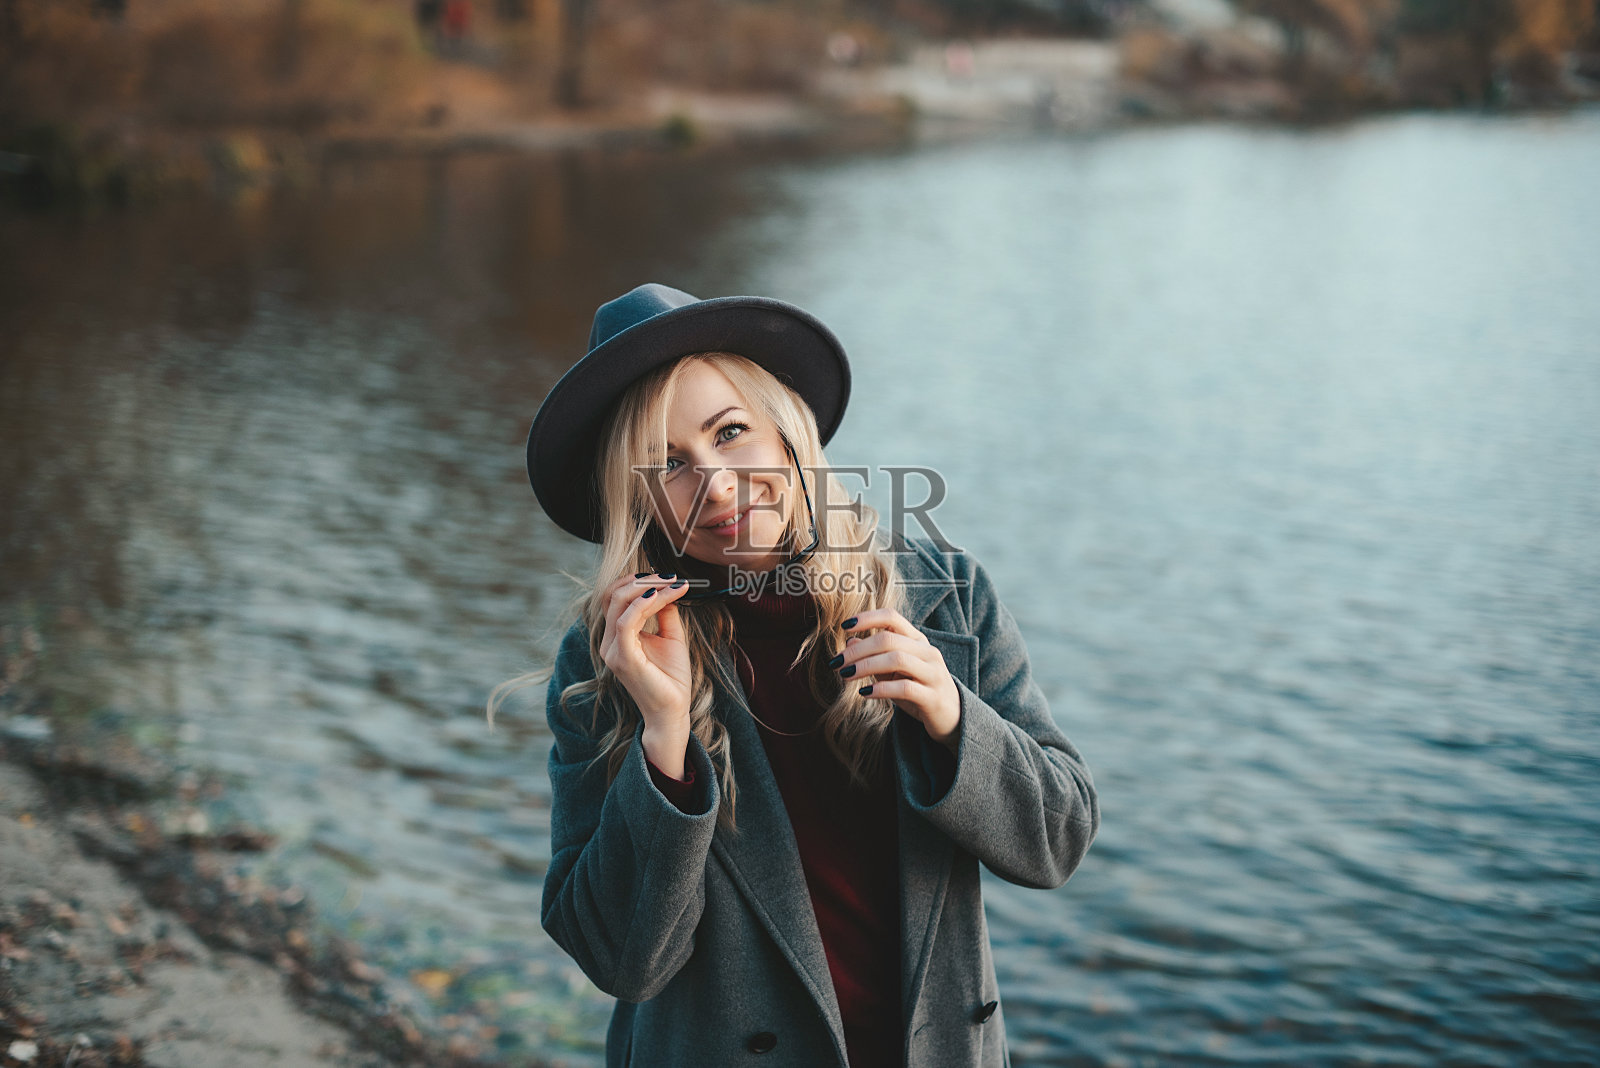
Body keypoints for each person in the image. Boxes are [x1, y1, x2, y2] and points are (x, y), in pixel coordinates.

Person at [495, 283, 1099, 1067]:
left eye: (732, 431)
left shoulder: (942, 597)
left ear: (786, 434)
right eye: (667, 464)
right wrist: (666, 741)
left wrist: (953, 714)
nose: (715, 484)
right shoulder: (611, 661)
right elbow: (620, 962)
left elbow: (1057, 842)